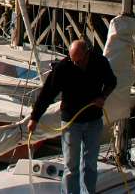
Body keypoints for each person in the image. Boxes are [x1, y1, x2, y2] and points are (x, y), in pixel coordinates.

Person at [28, 39, 117, 194]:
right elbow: (46, 94)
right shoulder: (63, 67)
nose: (76, 64)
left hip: (93, 120)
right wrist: (34, 118)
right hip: (71, 122)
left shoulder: (99, 62)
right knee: (71, 166)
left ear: (87, 54)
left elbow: (112, 82)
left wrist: (103, 97)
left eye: (79, 61)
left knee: (89, 164)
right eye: (73, 60)